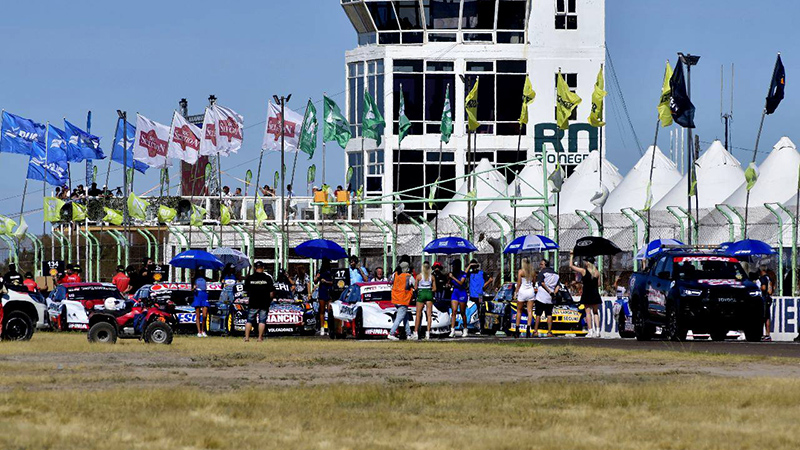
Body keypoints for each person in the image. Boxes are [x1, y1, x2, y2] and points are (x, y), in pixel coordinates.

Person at [569, 252, 602, 337]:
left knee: (588, 313)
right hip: (595, 293)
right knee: (595, 312)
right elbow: (599, 284)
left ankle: (590, 331)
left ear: (588, 262)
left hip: (587, 293)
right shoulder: (597, 272)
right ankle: (598, 331)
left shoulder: (584, 271)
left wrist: (572, 256)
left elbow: (571, 266)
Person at [244, 261, 275, 342]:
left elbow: (245, 290)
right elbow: (271, 293)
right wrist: (269, 300)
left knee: (249, 320)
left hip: (253, 302)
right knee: (262, 321)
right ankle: (260, 338)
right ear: (263, 268)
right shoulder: (267, 278)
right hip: (264, 302)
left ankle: (247, 338)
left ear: (255, 268)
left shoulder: (250, 278)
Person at [533, 259, 559, 337]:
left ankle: (535, 331)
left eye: (541, 264)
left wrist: (548, 291)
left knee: (538, 314)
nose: (540, 266)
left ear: (545, 265)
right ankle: (549, 332)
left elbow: (542, 283)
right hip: (550, 298)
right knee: (549, 314)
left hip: (541, 296)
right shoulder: (556, 274)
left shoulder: (542, 273)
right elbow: (558, 285)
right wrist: (554, 292)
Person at [388, 264, 415, 340]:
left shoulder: (395, 274)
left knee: (405, 317)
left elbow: (389, 281)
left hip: (395, 299)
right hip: (403, 299)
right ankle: (391, 333)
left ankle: (408, 334)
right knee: (399, 318)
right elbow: (415, 284)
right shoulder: (409, 276)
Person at [513, 257, 536, 338]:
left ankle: (517, 330)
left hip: (522, 291)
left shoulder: (521, 271)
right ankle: (528, 329)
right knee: (530, 311)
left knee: (519, 311)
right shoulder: (532, 272)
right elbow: (534, 282)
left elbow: (518, 283)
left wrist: (516, 292)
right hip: (530, 291)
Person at [413, 261, 436, 340]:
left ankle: (416, 332)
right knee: (429, 315)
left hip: (421, 293)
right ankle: (428, 333)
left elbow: (415, 288)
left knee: (418, 314)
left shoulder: (419, 276)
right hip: (429, 293)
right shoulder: (432, 277)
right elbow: (435, 288)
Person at [448, 260, 468, 338]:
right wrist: (449, 280)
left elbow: (461, 283)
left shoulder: (463, 274)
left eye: (454, 265)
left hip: (462, 292)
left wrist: (453, 277)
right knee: (454, 311)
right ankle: (452, 329)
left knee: (462, 312)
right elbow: (450, 283)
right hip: (455, 292)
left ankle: (465, 328)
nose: (453, 267)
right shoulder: (452, 274)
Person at [314, 259, 334, 336]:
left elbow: (334, 282)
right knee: (321, 310)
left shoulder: (331, 271)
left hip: (329, 291)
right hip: (322, 291)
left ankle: (329, 328)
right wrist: (317, 277)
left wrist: (326, 282)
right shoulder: (320, 271)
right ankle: (322, 328)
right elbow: (315, 281)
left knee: (329, 310)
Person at [192, 271, 210, 338]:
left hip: (204, 295)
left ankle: (203, 330)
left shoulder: (204, 278)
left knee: (205, 315)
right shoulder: (194, 279)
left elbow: (212, 280)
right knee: (198, 315)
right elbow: (192, 289)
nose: (201, 272)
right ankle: (199, 331)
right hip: (197, 295)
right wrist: (194, 288)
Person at [758, 265, 773, 342]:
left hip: (764, 298)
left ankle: (761, 333)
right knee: (767, 316)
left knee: (762, 316)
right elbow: (771, 289)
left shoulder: (763, 278)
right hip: (768, 298)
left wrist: (757, 287)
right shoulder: (769, 277)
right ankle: (768, 334)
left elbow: (763, 288)